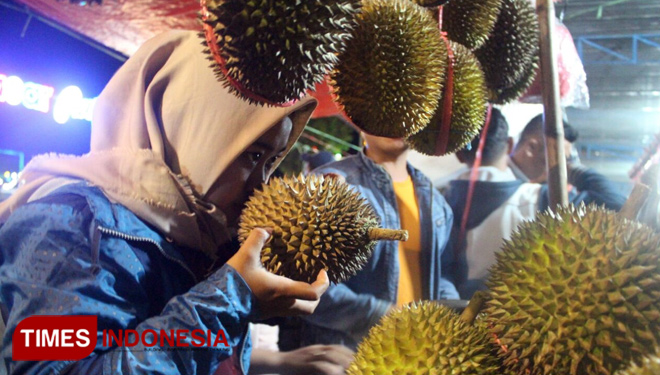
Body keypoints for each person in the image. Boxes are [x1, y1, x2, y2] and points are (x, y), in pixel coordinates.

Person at [0, 30, 332, 375]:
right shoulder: (67, 224)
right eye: (252, 155)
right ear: (192, 132)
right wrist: (231, 299)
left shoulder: (209, 238)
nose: (261, 185)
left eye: (272, 160)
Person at [286, 133, 458, 350]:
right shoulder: (328, 184)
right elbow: (304, 281)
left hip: (419, 352)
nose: (396, 120)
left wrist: (450, 312)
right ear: (361, 122)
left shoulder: (434, 199)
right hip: (350, 355)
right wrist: (382, 317)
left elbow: (443, 272)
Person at [443, 108, 541, 299]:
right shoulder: (537, 199)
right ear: (510, 144)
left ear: (459, 155)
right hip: (518, 320)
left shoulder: (434, 200)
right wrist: (573, 168)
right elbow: (611, 200)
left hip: (452, 318)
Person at [509, 113, 626, 211]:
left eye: (564, 163)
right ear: (531, 148)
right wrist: (572, 170)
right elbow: (615, 203)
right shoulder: (532, 198)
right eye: (559, 160)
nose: (559, 169)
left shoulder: (507, 180)